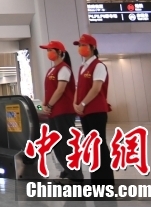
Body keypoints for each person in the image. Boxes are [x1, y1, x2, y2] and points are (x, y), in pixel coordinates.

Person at [73, 33, 114, 182]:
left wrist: (83, 104)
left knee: (99, 145)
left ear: (92, 47)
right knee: (91, 146)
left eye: (83, 45)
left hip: (96, 111)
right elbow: (79, 88)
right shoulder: (82, 67)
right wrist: (75, 103)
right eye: (79, 46)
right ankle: (96, 179)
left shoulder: (99, 66)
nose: (80, 48)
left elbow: (96, 88)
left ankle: (106, 181)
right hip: (84, 112)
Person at [39, 40, 83, 181]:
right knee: (57, 143)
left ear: (59, 52)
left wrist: (50, 105)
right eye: (47, 50)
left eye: (51, 50)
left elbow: (60, 89)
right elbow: (49, 90)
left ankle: (76, 175)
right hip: (54, 112)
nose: (48, 53)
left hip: (63, 111)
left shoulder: (64, 69)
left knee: (66, 143)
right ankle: (67, 169)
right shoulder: (52, 69)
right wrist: (44, 105)